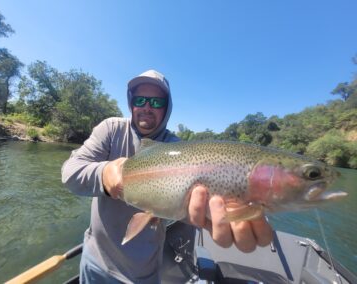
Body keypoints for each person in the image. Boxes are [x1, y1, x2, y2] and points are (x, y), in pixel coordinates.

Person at [61, 70, 273, 283]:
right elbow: (70, 173)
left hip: (143, 272)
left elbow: (190, 203)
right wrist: (104, 174)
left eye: (156, 102)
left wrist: (221, 212)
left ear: (167, 107)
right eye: (140, 100)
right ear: (131, 103)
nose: (146, 107)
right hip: (95, 262)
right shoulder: (111, 129)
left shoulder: (179, 149)